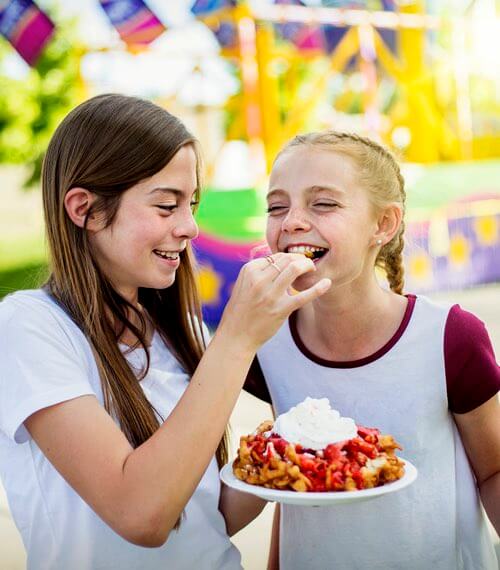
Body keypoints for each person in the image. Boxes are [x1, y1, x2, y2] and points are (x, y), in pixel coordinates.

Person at [0, 94, 332, 570]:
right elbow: (142, 515)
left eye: (192, 204)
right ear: (85, 210)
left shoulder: (182, 332)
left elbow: (203, 517)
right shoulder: (30, 328)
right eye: (166, 205)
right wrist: (237, 340)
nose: (191, 227)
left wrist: (284, 446)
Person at [244, 131, 500, 570]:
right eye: (276, 205)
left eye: (322, 203)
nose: (291, 221)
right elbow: (293, 488)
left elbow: (494, 471)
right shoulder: (266, 343)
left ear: (383, 224)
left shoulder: (449, 337)